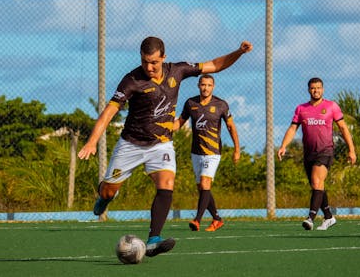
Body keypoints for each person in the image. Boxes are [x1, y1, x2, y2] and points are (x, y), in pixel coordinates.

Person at [78, 36, 253, 257]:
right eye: (144, 62)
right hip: (131, 144)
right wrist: (92, 141)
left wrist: (239, 51)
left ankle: (153, 239)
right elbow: (109, 111)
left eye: (154, 62)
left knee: (166, 184)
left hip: (161, 144)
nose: (149, 67)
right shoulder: (131, 80)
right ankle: (104, 198)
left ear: (164, 58)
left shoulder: (178, 71)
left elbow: (215, 65)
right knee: (108, 190)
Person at [277, 77, 356, 231]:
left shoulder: (331, 106)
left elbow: (343, 128)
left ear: (323, 89)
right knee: (317, 185)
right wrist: (283, 146)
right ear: (309, 90)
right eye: (313, 88)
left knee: (316, 181)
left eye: (319, 88)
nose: (316, 90)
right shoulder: (301, 109)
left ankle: (310, 218)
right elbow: (293, 128)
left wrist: (351, 149)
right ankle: (328, 217)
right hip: (308, 153)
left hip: (325, 151)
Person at [174, 74, 240, 232]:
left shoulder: (221, 105)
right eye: (203, 84)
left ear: (213, 87)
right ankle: (217, 219)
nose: (206, 88)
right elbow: (179, 123)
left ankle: (197, 220)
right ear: (198, 85)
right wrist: (164, 127)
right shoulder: (191, 103)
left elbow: (231, 127)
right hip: (196, 152)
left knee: (205, 184)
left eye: (209, 85)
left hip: (213, 152)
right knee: (202, 188)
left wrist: (237, 149)